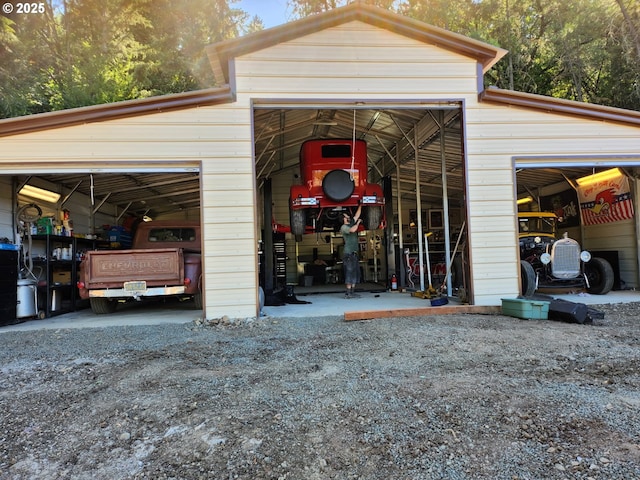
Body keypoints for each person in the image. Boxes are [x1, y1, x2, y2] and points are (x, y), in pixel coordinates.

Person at [340, 205, 362, 299]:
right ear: (343, 219)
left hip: (354, 253)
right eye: (346, 217)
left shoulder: (350, 223)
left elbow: (357, 215)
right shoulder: (344, 227)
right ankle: (348, 293)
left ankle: (352, 292)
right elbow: (353, 230)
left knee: (355, 273)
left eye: (348, 216)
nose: (348, 217)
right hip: (348, 254)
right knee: (349, 273)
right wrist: (358, 223)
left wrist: (361, 205)